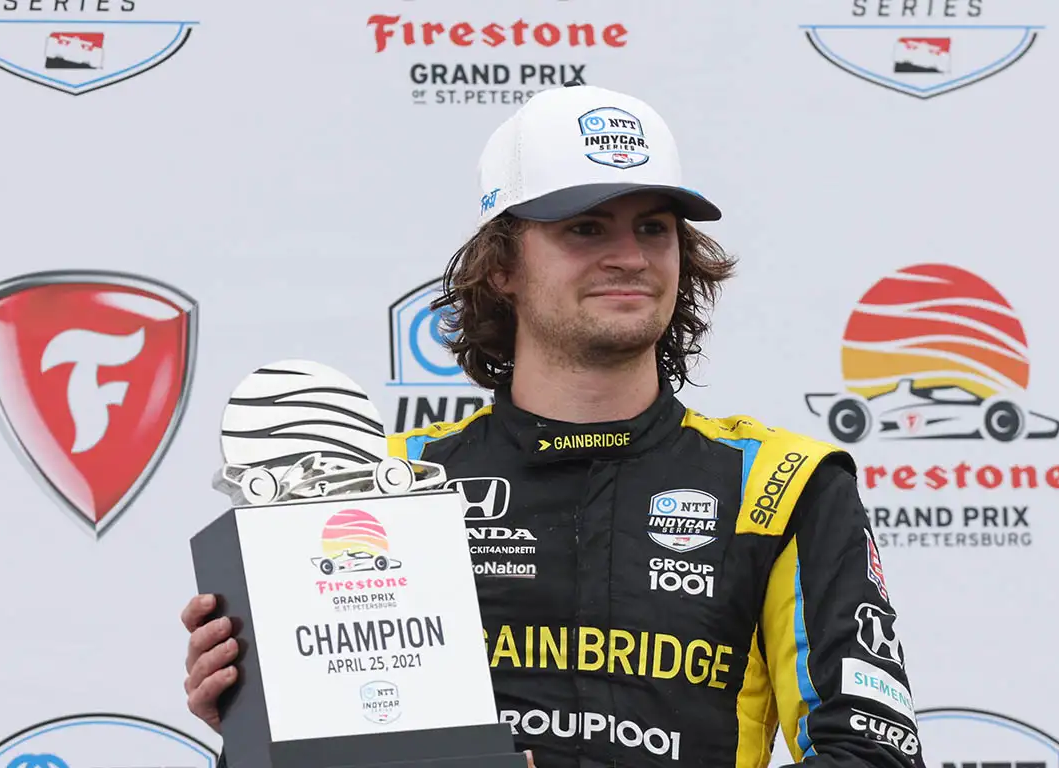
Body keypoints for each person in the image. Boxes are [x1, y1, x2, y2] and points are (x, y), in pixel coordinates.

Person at [181, 82, 927, 767]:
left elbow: (873, 755)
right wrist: (267, 723)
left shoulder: (783, 483)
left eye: (654, 228)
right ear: (500, 265)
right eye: (586, 228)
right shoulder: (392, 486)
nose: (630, 257)